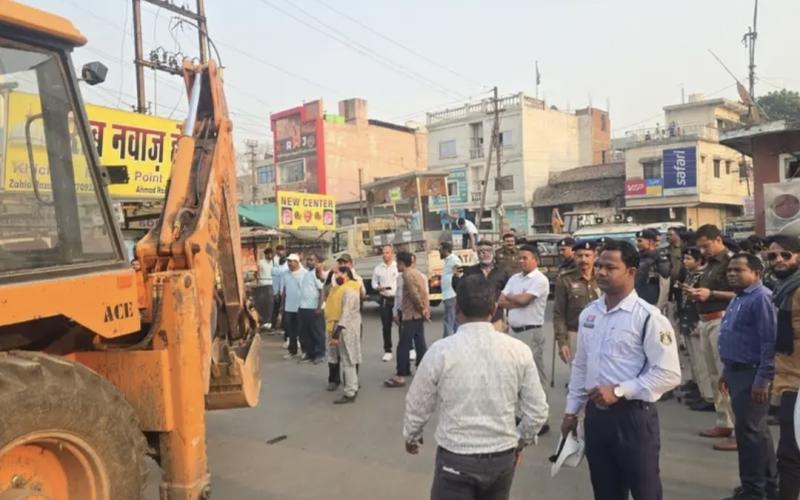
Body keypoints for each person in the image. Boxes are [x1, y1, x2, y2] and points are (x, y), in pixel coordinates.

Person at [403, 275, 549, 500]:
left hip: (455, 459)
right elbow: (537, 412)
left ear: (457, 309)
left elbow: (418, 403)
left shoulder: (440, 351)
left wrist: (412, 436)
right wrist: (520, 442)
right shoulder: (518, 350)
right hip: (501, 458)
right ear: (494, 309)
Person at [562, 239, 681, 500]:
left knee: (645, 491)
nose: (601, 272)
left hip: (633, 418)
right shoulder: (589, 313)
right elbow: (581, 364)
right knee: (605, 491)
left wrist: (619, 390)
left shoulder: (649, 317)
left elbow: (669, 373)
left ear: (631, 272)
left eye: (610, 267)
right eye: (600, 265)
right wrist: (572, 411)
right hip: (596, 416)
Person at [718, 253, 777, 500]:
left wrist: (762, 379)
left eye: (738, 270)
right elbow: (734, 336)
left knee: (749, 434)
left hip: (752, 374)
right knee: (756, 432)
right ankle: (768, 486)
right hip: (736, 372)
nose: (732, 273)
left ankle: (754, 491)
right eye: (730, 270)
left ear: (756, 273)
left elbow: (769, 341)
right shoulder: (740, 297)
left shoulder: (761, 299)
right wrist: (725, 371)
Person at [687, 224, 736, 450]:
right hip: (706, 320)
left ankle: (738, 429)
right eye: (700, 247)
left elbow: (742, 291)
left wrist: (711, 293)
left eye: (706, 246)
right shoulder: (710, 266)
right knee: (714, 375)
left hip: (723, 319)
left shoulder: (732, 262)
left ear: (718, 240)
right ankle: (723, 421)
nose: (703, 251)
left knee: (727, 375)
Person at [765, 236, 800, 499]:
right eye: (773, 256)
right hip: (787, 379)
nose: (778, 260)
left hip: (796, 384)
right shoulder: (783, 290)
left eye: (785, 255)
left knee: (790, 454)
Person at [385, 251, 429, 388]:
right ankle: (424, 372)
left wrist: (421, 308)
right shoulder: (419, 274)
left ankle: (401, 375)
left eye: (397, 263)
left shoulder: (406, 275)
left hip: (410, 315)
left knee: (403, 346)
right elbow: (424, 293)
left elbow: (414, 294)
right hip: (418, 315)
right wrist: (424, 310)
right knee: (420, 343)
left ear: (402, 263)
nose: (396, 265)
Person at [677, 248, 714, 409]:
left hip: (696, 320)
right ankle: (701, 391)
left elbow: (700, 301)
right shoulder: (690, 275)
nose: (685, 261)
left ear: (699, 261)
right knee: (695, 361)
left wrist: (697, 320)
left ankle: (709, 397)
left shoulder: (702, 276)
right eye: (684, 258)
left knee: (703, 362)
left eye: (689, 258)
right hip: (687, 319)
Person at [553, 240, 600, 366]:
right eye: (579, 256)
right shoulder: (565, 280)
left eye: (587, 255)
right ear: (574, 257)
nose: (583, 259)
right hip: (575, 334)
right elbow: (559, 313)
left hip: (602, 334)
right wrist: (562, 342)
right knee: (578, 377)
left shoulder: (603, 277)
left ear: (595, 257)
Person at [327, 266, 363, 404]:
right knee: (349, 360)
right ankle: (352, 388)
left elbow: (346, 312)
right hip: (347, 328)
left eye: (338, 273)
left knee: (348, 361)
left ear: (346, 274)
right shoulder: (348, 288)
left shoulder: (349, 289)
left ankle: (350, 392)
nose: (336, 276)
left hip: (346, 329)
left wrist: (336, 333)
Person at [457, 240, 511, 329]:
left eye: (488, 251)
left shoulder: (502, 271)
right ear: (477, 254)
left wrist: (509, 315)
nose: (485, 254)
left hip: (497, 318)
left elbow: (509, 293)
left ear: (493, 253)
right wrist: (455, 277)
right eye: (481, 252)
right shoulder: (470, 271)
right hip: (474, 318)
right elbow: (460, 290)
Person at [297, 253, 327, 364]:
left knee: (317, 332)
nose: (309, 261)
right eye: (308, 259)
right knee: (304, 332)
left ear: (317, 262)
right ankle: (309, 353)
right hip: (303, 307)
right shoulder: (305, 274)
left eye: (312, 260)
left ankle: (320, 353)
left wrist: (320, 307)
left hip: (314, 308)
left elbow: (322, 290)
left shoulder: (317, 274)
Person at [372, 245, 398, 362]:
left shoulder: (397, 267)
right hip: (384, 299)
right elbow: (374, 283)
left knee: (402, 325)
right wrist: (378, 287)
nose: (385, 255)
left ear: (392, 254)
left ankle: (410, 348)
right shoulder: (378, 268)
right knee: (386, 326)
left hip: (397, 298)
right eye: (383, 252)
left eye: (387, 252)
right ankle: (388, 350)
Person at [635, 229, 671, 307]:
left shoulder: (660, 257)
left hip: (653, 299)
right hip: (638, 297)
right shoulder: (638, 256)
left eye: (640, 241)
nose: (637, 244)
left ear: (650, 242)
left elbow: (665, 276)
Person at [280, 254, 306, 360]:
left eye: (292, 261)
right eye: (288, 261)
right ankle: (292, 351)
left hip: (301, 306)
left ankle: (305, 351)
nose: (289, 263)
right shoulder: (285, 274)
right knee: (291, 332)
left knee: (303, 331)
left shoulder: (305, 273)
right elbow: (285, 290)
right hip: (289, 307)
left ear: (297, 262)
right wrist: (282, 305)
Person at [439, 242, 461, 337]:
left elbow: (459, 273)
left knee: (449, 320)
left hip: (451, 294)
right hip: (448, 294)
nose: (439, 251)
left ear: (445, 250)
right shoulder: (448, 260)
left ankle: (446, 341)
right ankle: (457, 340)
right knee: (454, 320)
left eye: (440, 249)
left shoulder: (454, 259)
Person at [254, 248, 274, 330]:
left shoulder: (273, 262)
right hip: (262, 285)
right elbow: (255, 272)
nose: (270, 256)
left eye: (271, 254)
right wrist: (257, 279)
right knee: (262, 304)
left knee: (270, 304)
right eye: (268, 254)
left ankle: (268, 321)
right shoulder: (260, 262)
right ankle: (263, 322)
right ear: (265, 255)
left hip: (270, 284)